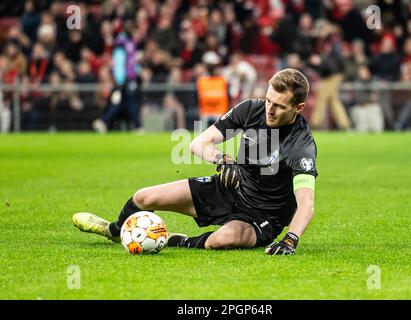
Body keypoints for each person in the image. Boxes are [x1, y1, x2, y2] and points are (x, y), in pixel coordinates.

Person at [73, 68, 317, 255]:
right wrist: (222, 159)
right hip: (227, 189)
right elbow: (198, 144)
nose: (270, 110)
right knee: (143, 198)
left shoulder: (301, 145)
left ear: (299, 108)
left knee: (220, 241)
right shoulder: (250, 110)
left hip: (262, 216)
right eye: (268, 101)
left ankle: (174, 240)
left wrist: (290, 239)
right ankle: (114, 231)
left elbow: (306, 203)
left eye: (279, 106)